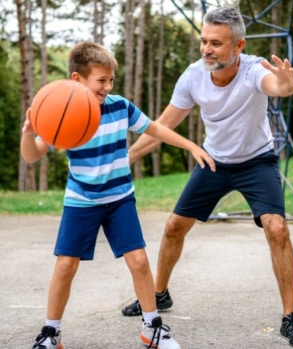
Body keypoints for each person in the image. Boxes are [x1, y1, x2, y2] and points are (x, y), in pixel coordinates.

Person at [122, 6, 293, 349]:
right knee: (173, 227)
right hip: (214, 161)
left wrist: (286, 85)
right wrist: (129, 157)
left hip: (257, 161)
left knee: (277, 227)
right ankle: (159, 295)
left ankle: (291, 316)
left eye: (216, 43)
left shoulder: (254, 69)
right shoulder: (193, 76)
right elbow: (163, 126)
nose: (207, 49)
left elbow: (276, 84)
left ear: (238, 46)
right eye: (204, 41)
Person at [21, 41, 216, 349]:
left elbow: (155, 129)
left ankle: (152, 328)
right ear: (77, 80)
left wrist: (191, 145)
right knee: (65, 266)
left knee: (138, 260)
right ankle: (51, 332)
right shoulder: (64, 114)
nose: (107, 86)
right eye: (101, 80)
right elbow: (32, 156)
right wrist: (29, 133)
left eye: (111, 80)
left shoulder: (120, 107)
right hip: (82, 201)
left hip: (119, 198)